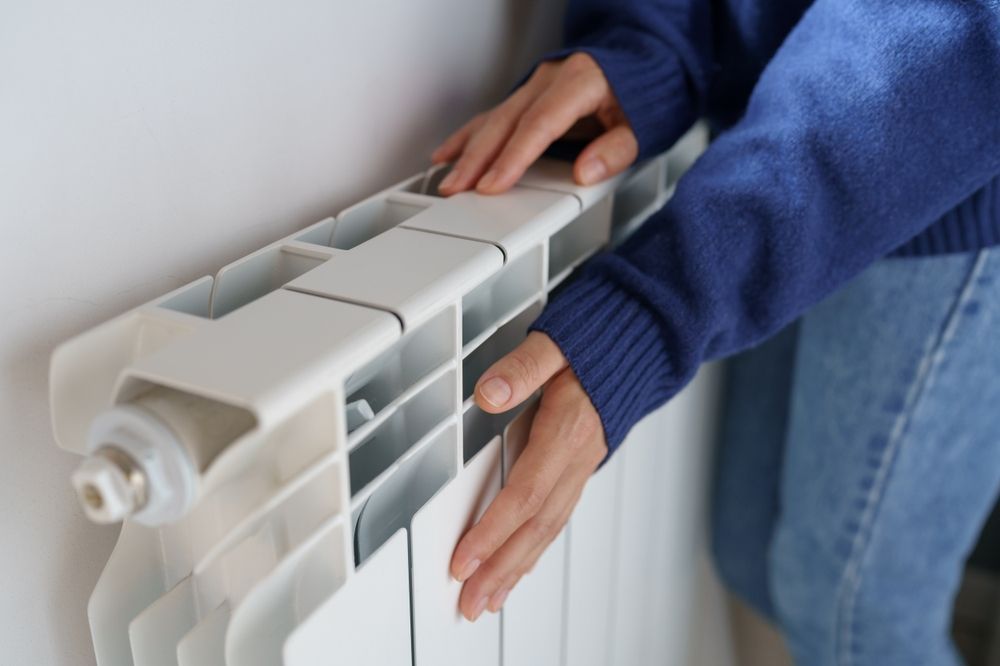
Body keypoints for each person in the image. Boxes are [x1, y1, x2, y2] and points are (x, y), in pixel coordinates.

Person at [438, 1, 1000, 663]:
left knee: (854, 610)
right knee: (750, 551)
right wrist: (650, 41)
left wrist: (652, 309)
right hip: (790, 129)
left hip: (954, 168)